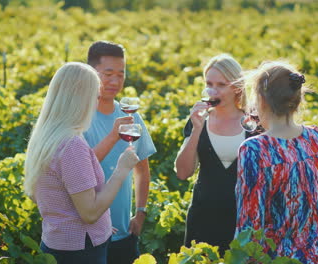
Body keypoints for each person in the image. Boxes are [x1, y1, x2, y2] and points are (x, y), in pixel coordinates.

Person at [23, 62, 139, 264]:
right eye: (95, 95)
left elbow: (40, 195)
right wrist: (122, 169)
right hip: (80, 253)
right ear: (81, 99)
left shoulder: (46, 136)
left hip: (57, 243)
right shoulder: (71, 145)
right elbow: (90, 213)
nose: (97, 102)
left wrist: (99, 227)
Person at [235, 61, 318, 263]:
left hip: (276, 258)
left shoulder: (255, 150)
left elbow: (250, 225)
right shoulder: (316, 137)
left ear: (262, 100)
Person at [84, 41, 157, 264]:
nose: (115, 81)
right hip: (87, 235)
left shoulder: (131, 117)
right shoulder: (79, 118)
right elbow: (79, 169)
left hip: (124, 234)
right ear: (91, 73)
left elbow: (142, 170)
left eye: (121, 74)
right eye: (108, 74)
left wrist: (141, 212)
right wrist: (113, 135)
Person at [174, 54, 253, 254]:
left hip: (244, 222)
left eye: (221, 85)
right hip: (203, 219)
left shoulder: (255, 125)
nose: (213, 91)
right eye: (209, 83)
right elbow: (183, 173)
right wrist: (196, 130)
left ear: (236, 87)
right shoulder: (198, 122)